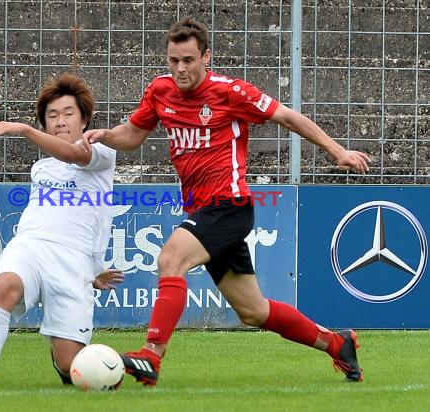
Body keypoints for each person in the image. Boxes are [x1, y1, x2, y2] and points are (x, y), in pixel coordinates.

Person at [83, 17, 370, 386]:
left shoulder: (230, 92)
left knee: (170, 259)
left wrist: (337, 150)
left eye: (188, 59)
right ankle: (336, 342)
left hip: (229, 205)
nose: (180, 68)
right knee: (253, 311)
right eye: (173, 60)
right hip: (202, 210)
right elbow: (133, 135)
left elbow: (287, 116)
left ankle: (151, 356)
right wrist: (105, 135)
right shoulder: (160, 91)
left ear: (206, 56)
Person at [0, 72, 123, 389]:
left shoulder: (102, 153)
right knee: (5, 288)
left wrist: (92, 270)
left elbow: (73, 154)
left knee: (73, 368)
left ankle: (63, 360)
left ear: (84, 120)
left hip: (73, 263)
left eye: (68, 113)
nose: (60, 121)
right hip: (31, 246)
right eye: (52, 116)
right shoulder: (40, 168)